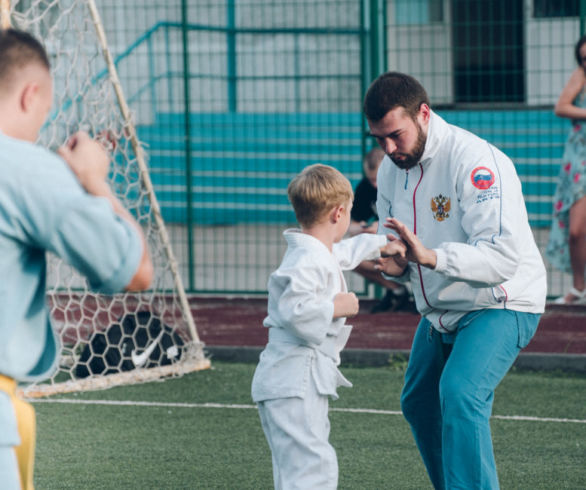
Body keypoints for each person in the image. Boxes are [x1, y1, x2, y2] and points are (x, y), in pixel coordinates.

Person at [364, 72, 546, 489]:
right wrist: (389, 262)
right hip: (441, 309)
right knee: (419, 402)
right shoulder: (392, 169)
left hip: (500, 300)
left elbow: (501, 258)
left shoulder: (477, 161)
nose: (389, 149)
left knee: (461, 394)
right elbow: (394, 248)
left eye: (395, 135)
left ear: (424, 114)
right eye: (379, 139)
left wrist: (427, 256)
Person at [0, 29, 153, 489]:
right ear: (32, 96)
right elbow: (136, 271)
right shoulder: (26, 169)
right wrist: (94, 181)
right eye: (45, 111)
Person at [251, 163, 405, 489]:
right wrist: (337, 306)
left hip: (297, 380)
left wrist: (379, 244)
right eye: (349, 212)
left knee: (302, 469)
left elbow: (343, 252)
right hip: (293, 379)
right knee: (312, 469)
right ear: (339, 213)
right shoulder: (305, 260)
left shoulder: (316, 252)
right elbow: (295, 312)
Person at [545, 34, 586, 305]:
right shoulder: (580, 75)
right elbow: (561, 106)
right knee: (576, 231)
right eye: (583, 58)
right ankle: (579, 288)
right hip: (580, 159)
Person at [348, 147, 414, 313]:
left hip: (411, 242)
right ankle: (397, 291)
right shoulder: (365, 188)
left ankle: (422, 295)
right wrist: (364, 228)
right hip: (388, 243)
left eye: (377, 179)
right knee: (352, 257)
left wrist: (380, 226)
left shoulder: (405, 183)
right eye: (371, 180)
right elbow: (351, 225)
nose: (375, 185)